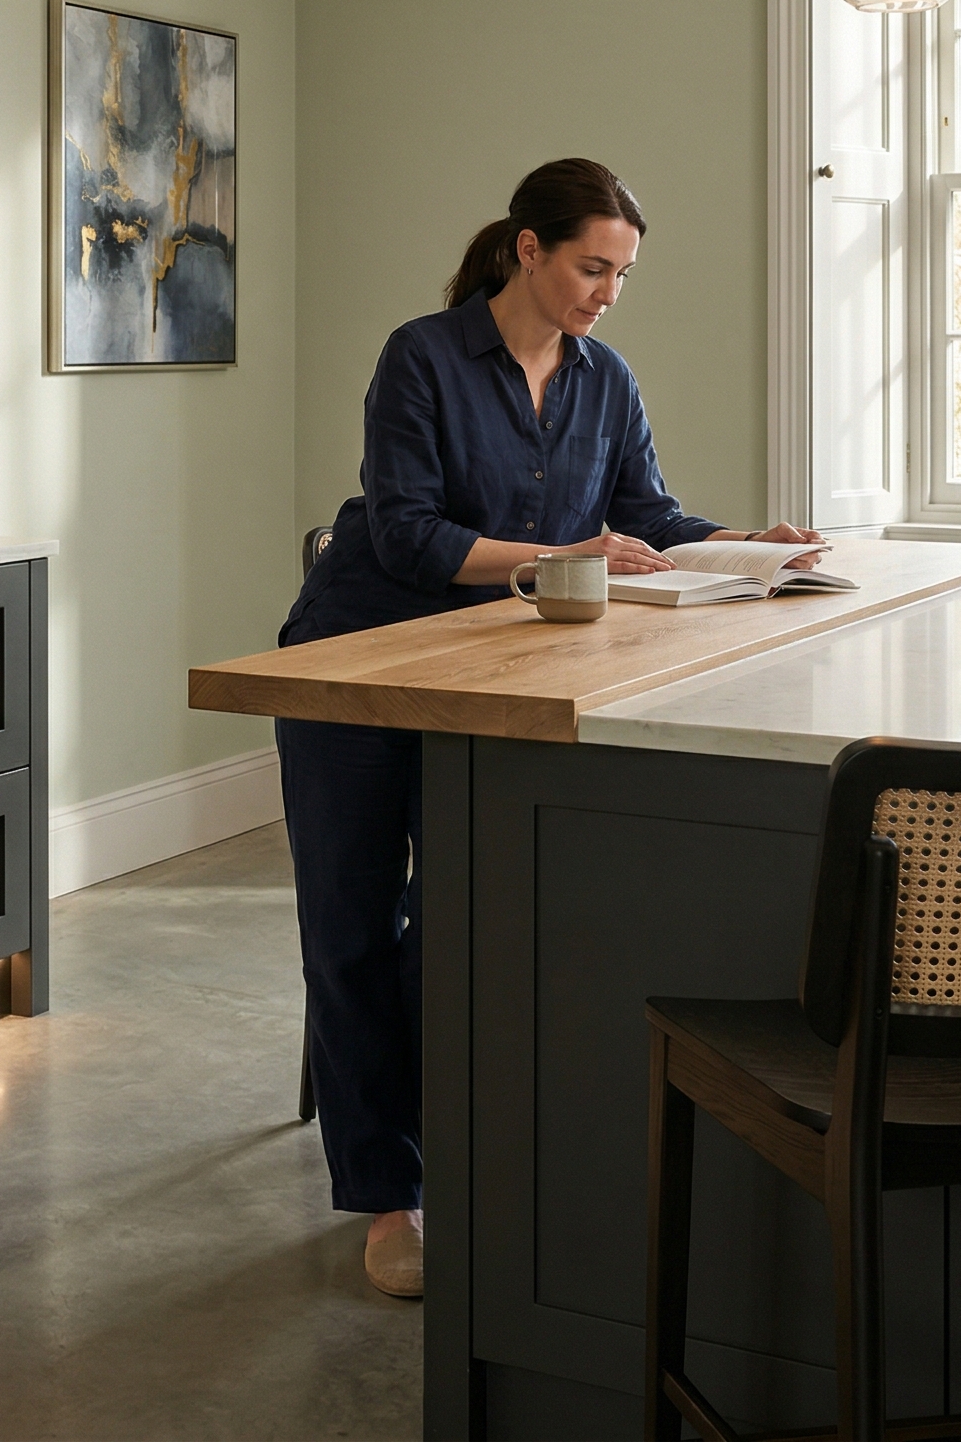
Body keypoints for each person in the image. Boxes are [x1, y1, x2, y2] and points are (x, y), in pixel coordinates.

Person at [275, 158, 818, 1299]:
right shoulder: (420, 355)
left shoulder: (603, 377)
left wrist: (743, 542)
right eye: (589, 265)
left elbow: (647, 515)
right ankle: (387, 1194)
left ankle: (442, 1146)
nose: (605, 292)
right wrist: (563, 556)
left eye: (620, 273)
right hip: (354, 668)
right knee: (351, 926)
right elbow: (414, 537)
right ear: (527, 248)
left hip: (492, 667)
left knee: (459, 916)